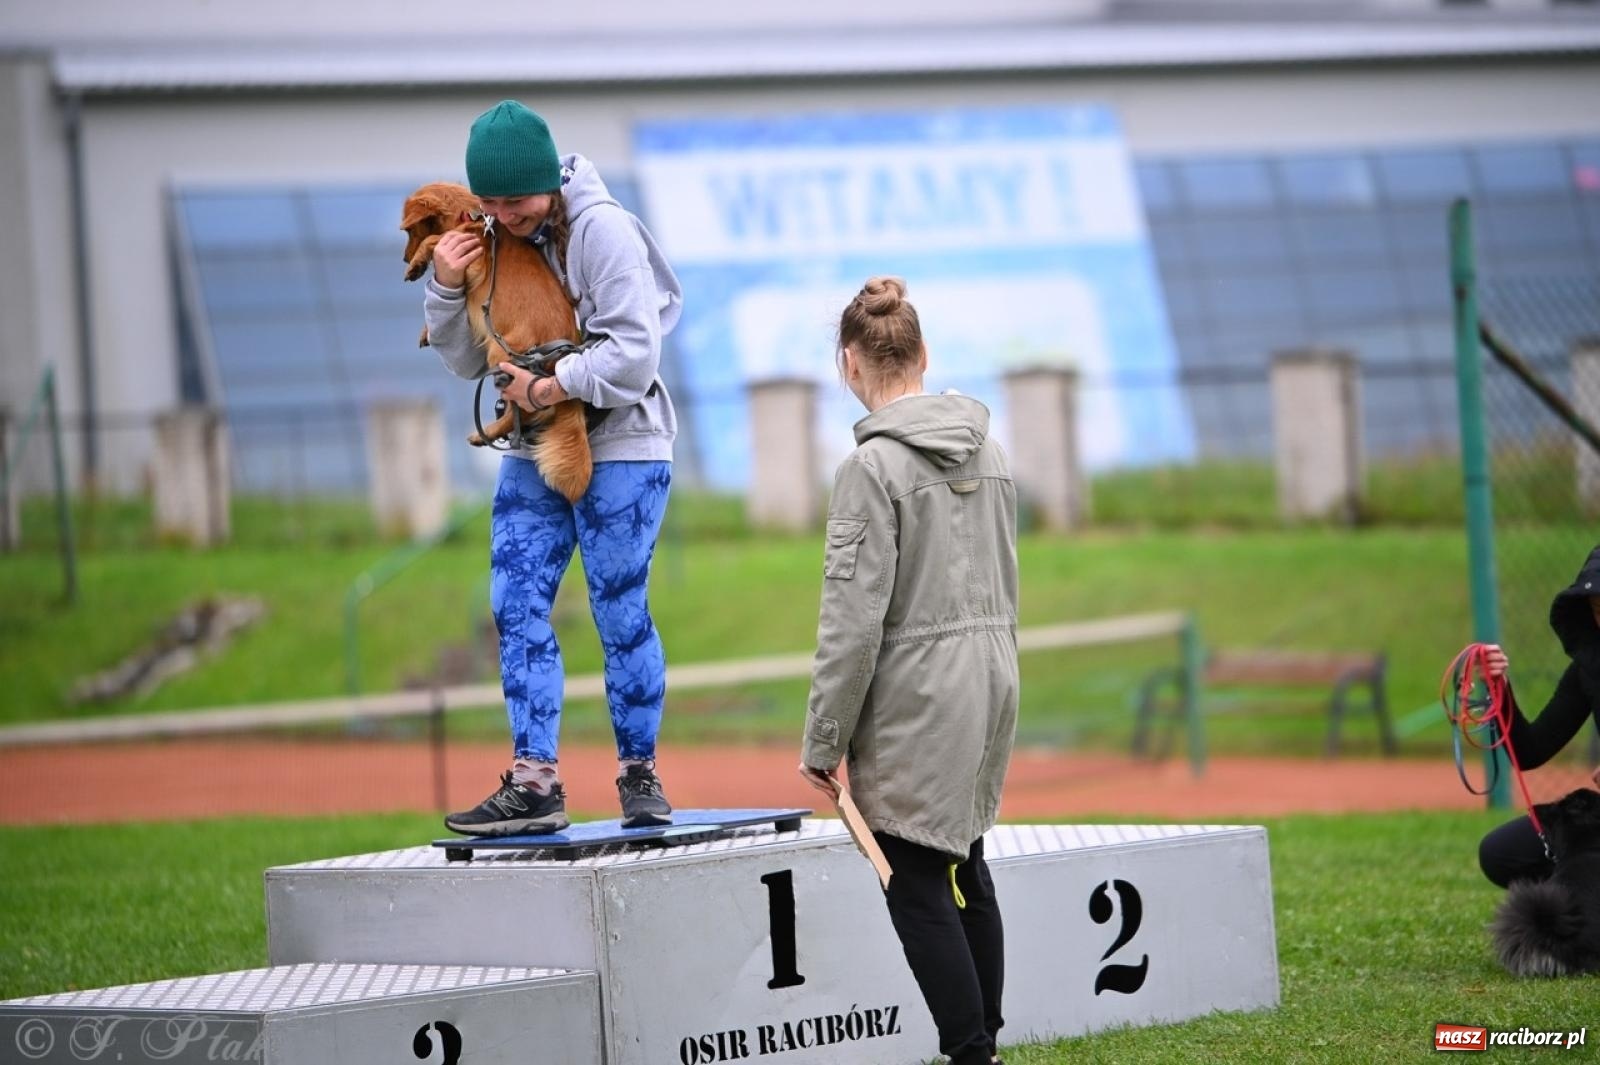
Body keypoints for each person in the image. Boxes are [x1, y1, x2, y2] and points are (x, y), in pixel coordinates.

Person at [425, 100, 681, 835]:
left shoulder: (601, 231)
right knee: (513, 603)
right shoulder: (487, 234)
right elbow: (471, 355)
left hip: (625, 445)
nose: (502, 215)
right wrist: (444, 288)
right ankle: (535, 782)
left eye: (516, 199)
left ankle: (639, 773)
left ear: (547, 183)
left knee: (618, 612)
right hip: (534, 446)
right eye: (490, 200)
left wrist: (550, 385)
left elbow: (635, 352)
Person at [797, 277, 1019, 1065]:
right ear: (924, 355)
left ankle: (970, 1052)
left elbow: (851, 624)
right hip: (993, 679)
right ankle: (982, 1042)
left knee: (915, 880)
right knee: (968, 860)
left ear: (848, 364)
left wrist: (824, 737)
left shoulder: (871, 470)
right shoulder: (989, 449)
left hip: (919, 693)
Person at [1478, 544, 1600, 887]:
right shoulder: (1588, 671)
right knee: (1500, 852)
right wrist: (1498, 686)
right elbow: (1529, 752)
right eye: (1598, 608)